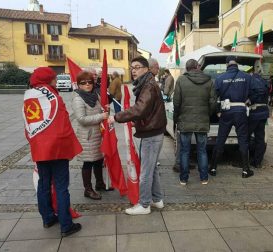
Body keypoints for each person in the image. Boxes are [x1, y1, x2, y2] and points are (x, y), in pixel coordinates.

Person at [23, 67, 82, 237]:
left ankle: (48, 218)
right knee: (61, 186)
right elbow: (63, 124)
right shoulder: (54, 96)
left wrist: (36, 142)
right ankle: (66, 225)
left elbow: (28, 124)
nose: (56, 82)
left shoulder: (28, 95)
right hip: (57, 149)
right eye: (54, 79)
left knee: (44, 185)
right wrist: (69, 146)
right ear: (48, 80)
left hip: (40, 148)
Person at [108, 56, 166, 215]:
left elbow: (140, 109)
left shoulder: (148, 85)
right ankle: (157, 199)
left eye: (137, 67)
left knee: (146, 171)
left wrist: (116, 117)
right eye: (132, 67)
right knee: (152, 168)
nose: (133, 70)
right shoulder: (148, 83)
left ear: (146, 68)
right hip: (153, 131)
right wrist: (138, 123)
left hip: (152, 135)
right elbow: (149, 111)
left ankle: (144, 204)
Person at [209, 56, 254, 178]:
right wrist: (249, 100)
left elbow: (213, 97)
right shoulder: (246, 77)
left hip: (226, 111)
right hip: (240, 111)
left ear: (226, 64)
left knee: (220, 140)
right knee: (243, 140)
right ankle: (245, 170)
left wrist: (217, 111)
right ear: (236, 63)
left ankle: (213, 168)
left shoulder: (220, 78)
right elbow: (255, 91)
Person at [173, 59, 216, 185]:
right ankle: (204, 178)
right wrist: (207, 115)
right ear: (197, 67)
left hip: (184, 120)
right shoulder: (209, 80)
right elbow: (213, 102)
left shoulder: (181, 80)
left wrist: (177, 118)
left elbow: (176, 102)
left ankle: (184, 179)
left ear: (187, 68)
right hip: (202, 120)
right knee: (202, 150)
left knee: (185, 151)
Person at [72, 71, 110, 200]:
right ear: (79, 85)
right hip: (87, 136)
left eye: (90, 82)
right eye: (83, 83)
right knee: (88, 162)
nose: (87, 85)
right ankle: (87, 189)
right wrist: (101, 116)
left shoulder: (95, 95)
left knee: (99, 160)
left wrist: (105, 109)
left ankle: (99, 183)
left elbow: (100, 110)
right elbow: (81, 119)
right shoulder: (78, 99)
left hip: (97, 134)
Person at [248, 71, 270, 168]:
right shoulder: (265, 82)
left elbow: (250, 97)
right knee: (260, 138)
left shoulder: (250, 81)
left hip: (254, 112)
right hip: (264, 112)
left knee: (245, 136)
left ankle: (244, 161)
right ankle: (257, 162)